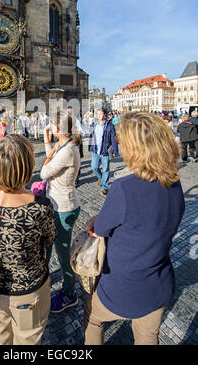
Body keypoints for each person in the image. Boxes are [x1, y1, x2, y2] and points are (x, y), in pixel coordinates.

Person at [84, 112, 185, 346]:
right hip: (157, 285)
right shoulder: (174, 183)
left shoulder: (123, 189)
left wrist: (97, 221)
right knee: (148, 337)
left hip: (121, 286)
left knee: (94, 321)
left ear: (134, 149)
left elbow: (100, 229)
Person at [0, 135, 56, 345]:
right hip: (27, 292)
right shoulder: (39, 206)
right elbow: (49, 238)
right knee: (27, 341)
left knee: (0, 337)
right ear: (27, 167)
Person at [40, 110, 81, 313]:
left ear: (57, 128)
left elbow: (43, 172)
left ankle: (69, 293)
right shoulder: (65, 145)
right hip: (57, 205)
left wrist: (48, 151)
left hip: (63, 208)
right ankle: (42, 284)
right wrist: (48, 143)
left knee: (63, 253)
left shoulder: (66, 150)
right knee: (48, 248)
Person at [88, 108, 119, 196]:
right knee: (94, 167)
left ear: (104, 114)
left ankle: (104, 187)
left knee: (106, 170)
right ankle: (101, 178)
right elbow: (91, 136)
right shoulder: (94, 124)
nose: (99, 116)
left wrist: (115, 151)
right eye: (97, 114)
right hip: (95, 151)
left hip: (105, 151)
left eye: (100, 114)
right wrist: (90, 147)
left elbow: (114, 139)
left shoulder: (110, 125)